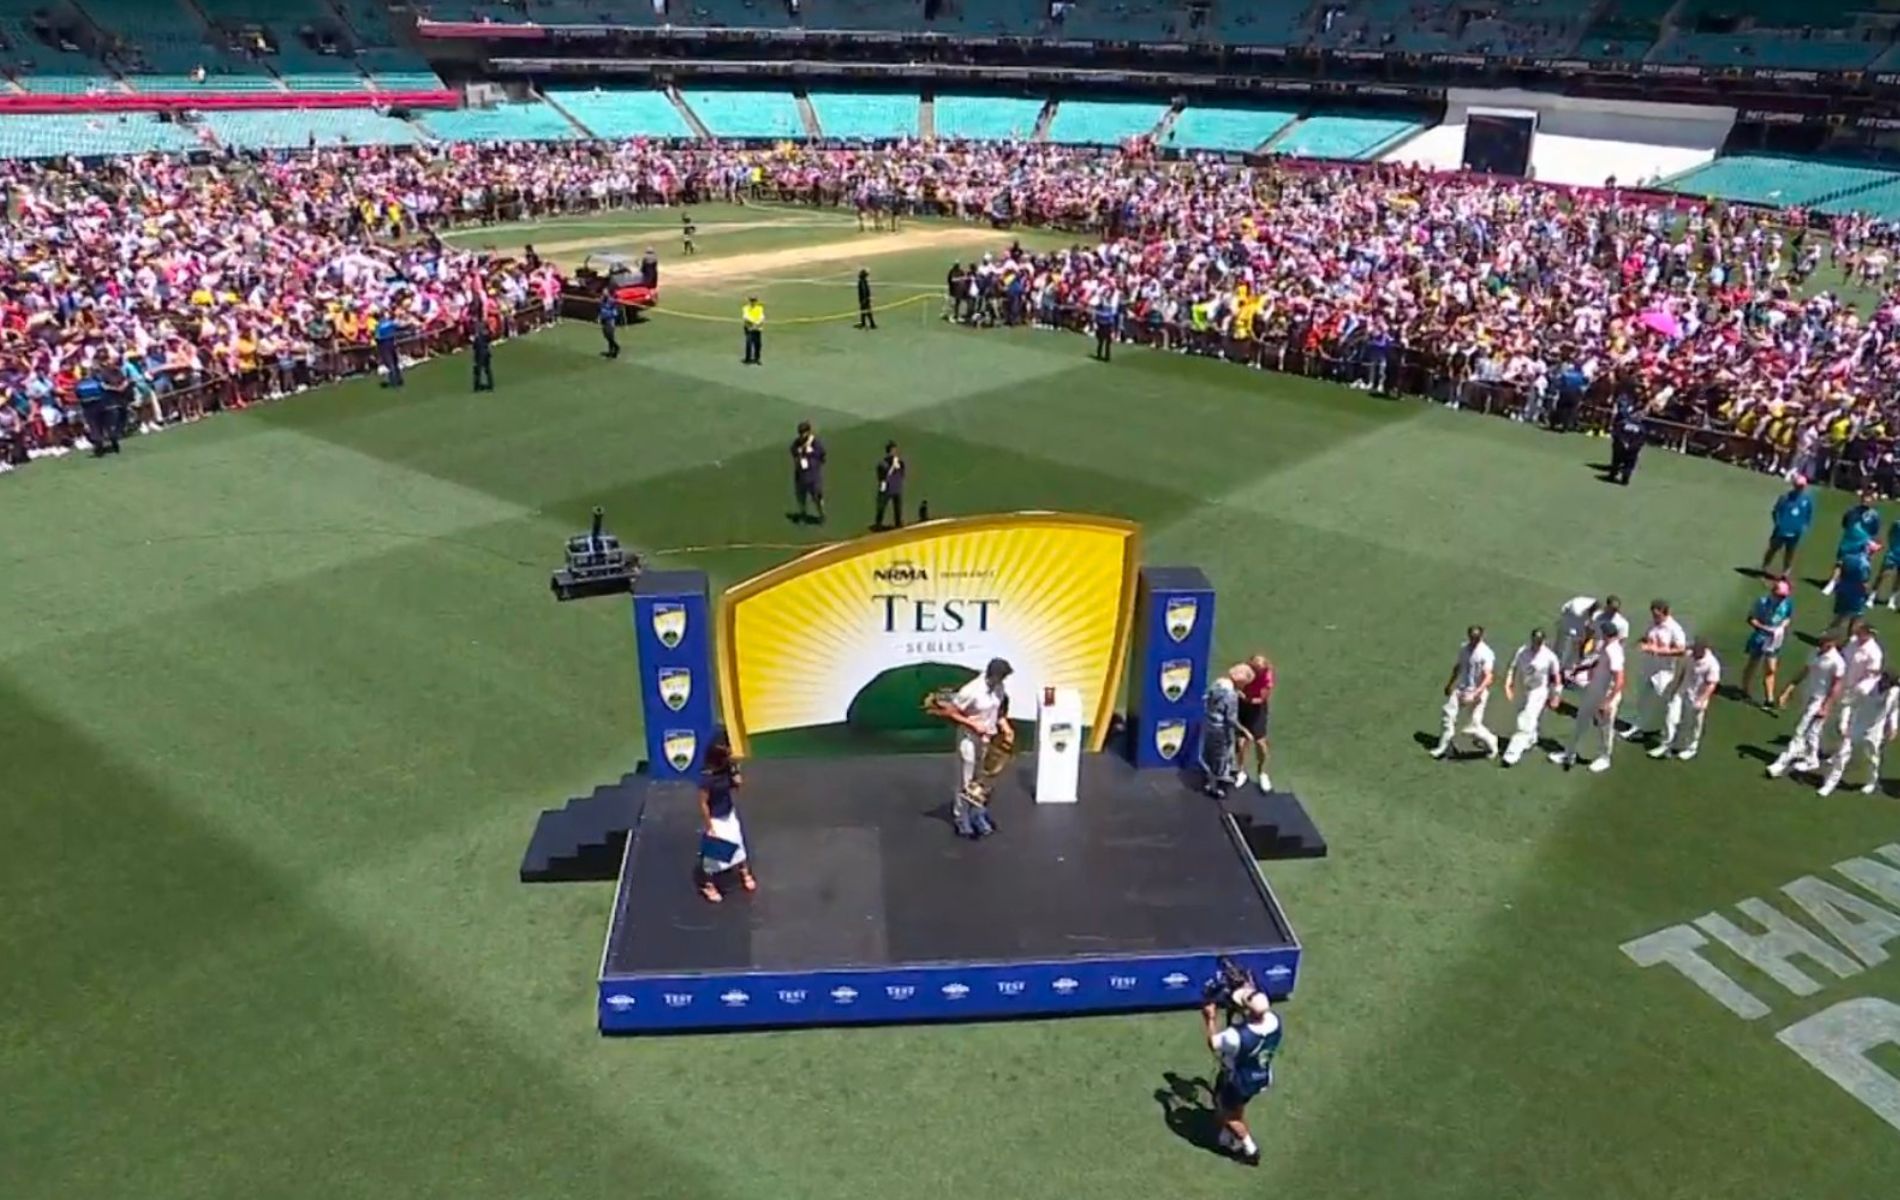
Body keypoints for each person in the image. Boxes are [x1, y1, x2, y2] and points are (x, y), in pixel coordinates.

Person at [932, 658, 1013, 839]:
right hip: (970, 739)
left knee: (983, 780)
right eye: (1001, 677)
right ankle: (962, 818)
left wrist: (1005, 727)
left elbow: (997, 711)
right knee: (965, 780)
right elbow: (951, 711)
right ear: (993, 675)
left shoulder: (999, 688)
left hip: (988, 739)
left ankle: (978, 814)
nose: (1003, 681)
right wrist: (971, 723)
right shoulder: (971, 690)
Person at [1203, 983, 1281, 1167]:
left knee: (1225, 1114)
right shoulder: (1274, 1022)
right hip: (1261, 1075)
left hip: (1238, 1081)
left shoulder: (1235, 1036)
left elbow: (1214, 1043)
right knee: (1237, 1107)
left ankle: (1250, 1149)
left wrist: (1210, 1019)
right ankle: (1225, 1138)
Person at [1767, 632, 1846, 778]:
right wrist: (1788, 690)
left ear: (1833, 643)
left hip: (1819, 700)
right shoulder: (1815, 653)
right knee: (1813, 732)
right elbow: (1804, 671)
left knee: (1800, 731)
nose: (1821, 644)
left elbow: (1836, 686)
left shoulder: (1837, 662)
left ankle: (1780, 764)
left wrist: (1826, 707)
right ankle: (1812, 759)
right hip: (1808, 695)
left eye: (1825, 641)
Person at [1552, 616, 1626, 773]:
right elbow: (1596, 664)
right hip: (1593, 691)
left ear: (1606, 634)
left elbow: (1619, 680)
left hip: (1605, 697)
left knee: (1605, 728)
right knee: (1581, 720)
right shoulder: (1605, 647)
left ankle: (1605, 758)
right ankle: (1569, 753)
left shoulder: (1614, 652)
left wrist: (1608, 702)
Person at [1817, 670, 1900, 798]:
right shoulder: (1864, 688)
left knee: (1872, 758)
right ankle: (1829, 784)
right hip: (1857, 726)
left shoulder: (1894, 693)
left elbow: (1894, 709)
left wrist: (1893, 727)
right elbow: (1847, 704)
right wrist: (1844, 723)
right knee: (1842, 755)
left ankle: (1872, 781)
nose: (1887, 688)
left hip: (1875, 730)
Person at [695, 732, 756, 903]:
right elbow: (703, 803)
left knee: (737, 843)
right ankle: (708, 885)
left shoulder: (727, 769)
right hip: (715, 818)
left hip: (728, 813)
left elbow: (737, 786)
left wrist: (736, 776)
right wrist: (709, 826)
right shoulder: (706, 777)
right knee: (714, 855)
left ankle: (744, 872)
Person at [1621, 599, 1687, 749]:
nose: (1655, 618)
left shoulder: (1674, 629)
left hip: (1664, 672)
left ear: (1666, 613)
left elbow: (1681, 649)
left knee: (1666, 703)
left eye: (1657, 615)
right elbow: (1647, 637)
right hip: (1648, 668)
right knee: (1643, 699)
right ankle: (1639, 727)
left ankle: (1668, 735)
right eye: (1653, 615)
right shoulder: (1653, 624)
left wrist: (1659, 651)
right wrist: (1640, 643)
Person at [1430, 626, 1499, 760]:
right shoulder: (1464, 649)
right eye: (1472, 638)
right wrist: (1450, 683)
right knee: (1447, 715)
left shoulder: (1486, 653)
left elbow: (1488, 677)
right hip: (1461, 689)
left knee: (1473, 727)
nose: (1473, 641)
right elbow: (1458, 667)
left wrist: (1476, 693)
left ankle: (1492, 742)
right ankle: (1444, 747)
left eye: (1476, 638)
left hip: (1476, 693)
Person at [1502, 627, 1562, 767]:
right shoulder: (1522, 651)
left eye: (1539, 642)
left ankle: (1511, 755)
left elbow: (1557, 677)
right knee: (1525, 716)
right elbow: (1513, 667)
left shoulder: (1549, 657)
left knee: (1523, 721)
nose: (1536, 645)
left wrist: (1556, 696)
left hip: (1538, 692)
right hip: (1523, 688)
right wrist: (1508, 684)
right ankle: (1531, 738)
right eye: (1534, 642)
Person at [1655, 639, 1720, 761]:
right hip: (1682, 692)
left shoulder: (1712, 664)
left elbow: (1711, 684)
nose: (1693, 654)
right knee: (1671, 717)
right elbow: (1681, 672)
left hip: (1697, 697)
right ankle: (1666, 744)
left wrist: (1702, 699)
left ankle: (1690, 748)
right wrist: (1673, 689)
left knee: (1692, 723)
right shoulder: (1689, 656)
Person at [1740, 577, 1794, 708]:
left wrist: (1781, 627)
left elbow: (1787, 618)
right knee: (1753, 662)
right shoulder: (1762, 602)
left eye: (1784, 596)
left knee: (1771, 668)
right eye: (1780, 596)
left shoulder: (1787, 604)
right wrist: (1765, 628)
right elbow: (1751, 619)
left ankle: (1769, 698)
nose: (1782, 599)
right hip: (1760, 636)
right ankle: (1745, 689)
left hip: (1774, 639)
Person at [1822, 490, 1881, 596]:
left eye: (1869, 499)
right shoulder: (1852, 511)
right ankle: (1832, 583)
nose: (1866, 501)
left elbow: (1874, 531)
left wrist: (1870, 544)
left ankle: (1854, 587)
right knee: (1840, 563)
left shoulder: (1874, 516)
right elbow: (1845, 523)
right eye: (1865, 498)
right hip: (1849, 540)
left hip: (1863, 544)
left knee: (1860, 566)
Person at [1235, 654, 1275, 791]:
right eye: (1255, 669)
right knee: (1241, 743)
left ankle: (1262, 773)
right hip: (1242, 706)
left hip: (1257, 709)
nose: (1257, 673)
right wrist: (1238, 692)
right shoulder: (1243, 670)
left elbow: (1262, 698)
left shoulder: (1267, 675)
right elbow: (1235, 683)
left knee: (1260, 743)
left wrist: (1247, 698)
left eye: (1260, 671)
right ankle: (1241, 772)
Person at [1199, 675, 1243, 797]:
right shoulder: (1231, 695)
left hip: (1209, 723)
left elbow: (1206, 699)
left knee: (1210, 753)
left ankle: (1210, 781)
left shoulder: (1217, 684)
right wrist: (1244, 731)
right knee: (1222, 756)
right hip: (1221, 729)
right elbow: (1230, 718)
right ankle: (1216, 788)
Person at [1762, 474, 1814, 577]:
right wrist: (1778, 524)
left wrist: (1804, 526)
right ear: (1794, 485)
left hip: (1795, 532)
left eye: (1802, 486)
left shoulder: (1807, 500)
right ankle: (1765, 567)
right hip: (1781, 530)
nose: (1800, 488)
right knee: (1773, 548)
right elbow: (1775, 511)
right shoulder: (1785, 498)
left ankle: (1786, 572)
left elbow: (1808, 514)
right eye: (1798, 485)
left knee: (1790, 552)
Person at [1827, 547, 1875, 640]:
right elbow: (1864, 582)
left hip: (1842, 590)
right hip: (1856, 594)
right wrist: (1866, 593)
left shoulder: (1847, 558)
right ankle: (1849, 641)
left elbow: (1839, 569)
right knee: (1856, 618)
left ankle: (1828, 636)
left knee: (1839, 617)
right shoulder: (1865, 565)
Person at [790, 420, 826, 524]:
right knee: (801, 497)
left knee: (817, 497)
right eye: (800, 433)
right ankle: (803, 515)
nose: (801, 435)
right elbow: (793, 451)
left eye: (803, 432)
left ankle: (822, 515)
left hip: (813, 476)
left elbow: (822, 455)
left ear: (808, 432)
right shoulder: (797, 443)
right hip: (800, 475)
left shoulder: (815, 443)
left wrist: (811, 454)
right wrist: (801, 450)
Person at [874, 439, 905, 529]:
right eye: (892, 450)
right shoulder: (883, 464)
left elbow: (902, 473)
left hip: (896, 487)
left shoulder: (900, 462)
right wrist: (892, 467)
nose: (894, 452)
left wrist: (898, 467)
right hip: (887, 488)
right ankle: (878, 524)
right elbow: (882, 476)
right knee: (881, 507)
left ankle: (898, 522)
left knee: (898, 507)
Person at [374, 309, 406, 387]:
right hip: (392, 342)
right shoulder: (390, 323)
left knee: (390, 363)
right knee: (395, 361)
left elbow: (377, 337)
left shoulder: (378, 326)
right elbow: (399, 327)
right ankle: (399, 379)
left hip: (384, 344)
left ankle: (394, 381)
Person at [1093, 288, 1118, 362]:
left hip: (1108, 323)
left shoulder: (1111, 303)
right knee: (1101, 340)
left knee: (1108, 341)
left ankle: (1107, 356)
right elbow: (1096, 311)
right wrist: (1095, 322)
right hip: (1101, 323)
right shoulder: (1102, 301)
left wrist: (1113, 327)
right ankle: (1099, 354)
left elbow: (1112, 315)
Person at [470, 315, 494, 392]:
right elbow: (489, 339)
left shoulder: (477, 334)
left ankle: (477, 386)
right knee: (487, 369)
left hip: (479, 352)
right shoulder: (485, 332)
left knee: (478, 369)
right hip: (486, 351)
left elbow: (475, 345)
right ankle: (490, 385)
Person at [742, 294, 765, 365]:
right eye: (751, 300)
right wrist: (753, 322)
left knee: (758, 344)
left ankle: (757, 358)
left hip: (757, 328)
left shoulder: (760, 308)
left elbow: (762, 317)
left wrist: (757, 323)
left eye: (754, 300)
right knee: (748, 344)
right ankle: (748, 358)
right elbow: (746, 317)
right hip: (749, 328)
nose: (753, 302)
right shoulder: (746, 308)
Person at [598, 291, 621, 359]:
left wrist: (613, 315)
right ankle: (613, 349)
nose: (603, 295)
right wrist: (599, 317)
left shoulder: (611, 301)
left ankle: (614, 349)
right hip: (604, 320)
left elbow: (615, 309)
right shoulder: (601, 301)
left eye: (605, 294)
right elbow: (600, 310)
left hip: (610, 320)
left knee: (610, 335)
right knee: (606, 335)